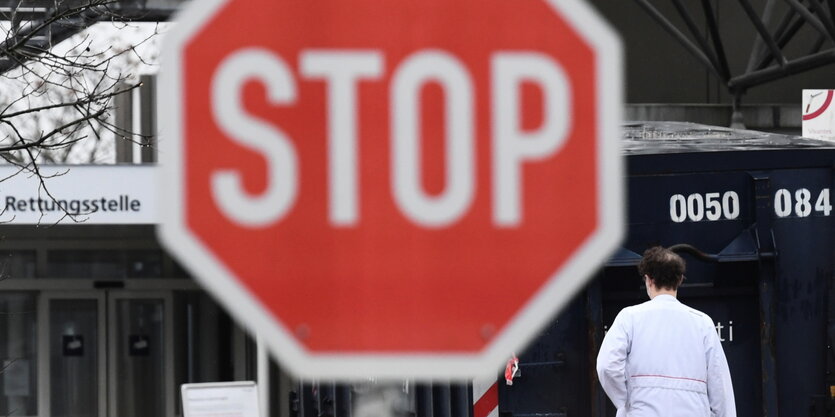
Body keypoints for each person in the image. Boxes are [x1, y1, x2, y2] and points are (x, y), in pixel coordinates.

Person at [596, 246, 736, 417]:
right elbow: (719, 383)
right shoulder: (702, 323)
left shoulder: (629, 317)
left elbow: (607, 366)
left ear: (648, 279)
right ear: (680, 280)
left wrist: (626, 401)